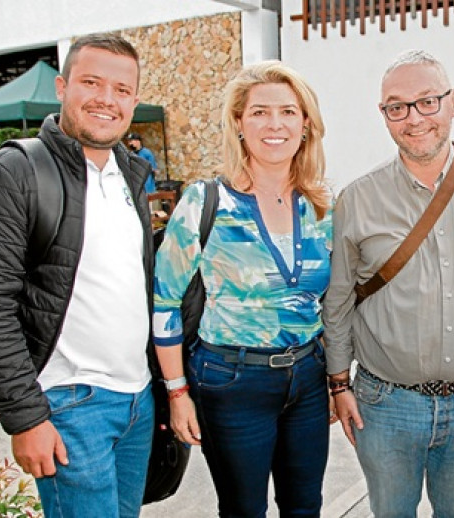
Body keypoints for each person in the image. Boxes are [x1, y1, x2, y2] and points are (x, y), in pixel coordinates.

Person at [0, 34, 155, 517]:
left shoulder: (130, 176)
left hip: (138, 402)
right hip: (70, 406)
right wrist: (25, 418)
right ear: (62, 87)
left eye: (122, 89)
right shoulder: (9, 172)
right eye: (92, 82)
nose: (107, 99)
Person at [324, 49, 454, 517]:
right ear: (384, 115)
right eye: (397, 107)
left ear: (453, 102)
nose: (413, 118)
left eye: (427, 102)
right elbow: (338, 302)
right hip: (386, 404)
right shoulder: (356, 199)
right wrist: (339, 385)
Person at [152, 61, 333, 517]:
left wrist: (334, 380)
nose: (275, 124)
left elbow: (331, 301)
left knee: (305, 506)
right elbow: (165, 302)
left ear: (306, 123)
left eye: (289, 112)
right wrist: (177, 394)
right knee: (243, 510)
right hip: (231, 381)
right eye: (260, 112)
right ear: (239, 122)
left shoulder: (323, 205)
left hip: (308, 378)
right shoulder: (204, 201)